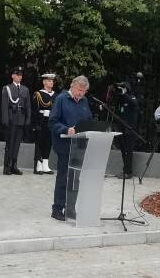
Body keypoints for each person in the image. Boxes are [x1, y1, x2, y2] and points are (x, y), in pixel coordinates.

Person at [49, 75, 94, 221]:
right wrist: (66, 129)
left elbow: (88, 120)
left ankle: (71, 208)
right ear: (72, 86)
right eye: (79, 90)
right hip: (64, 145)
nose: (81, 93)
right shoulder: (61, 99)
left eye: (84, 91)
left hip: (79, 145)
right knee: (63, 177)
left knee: (75, 179)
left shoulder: (84, 101)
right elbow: (52, 122)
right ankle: (57, 209)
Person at [0, 66, 31, 175]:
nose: (19, 77)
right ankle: (6, 166)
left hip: (21, 119)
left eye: (21, 75)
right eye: (17, 74)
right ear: (13, 76)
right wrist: (5, 120)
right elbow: (4, 106)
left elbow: (28, 106)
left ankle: (14, 165)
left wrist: (28, 119)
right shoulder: (7, 88)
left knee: (17, 144)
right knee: (10, 144)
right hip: (11, 119)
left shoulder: (25, 89)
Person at [31, 73, 56, 174]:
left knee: (48, 143)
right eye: (49, 81)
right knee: (39, 143)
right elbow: (34, 110)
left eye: (52, 81)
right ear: (44, 82)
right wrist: (35, 123)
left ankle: (45, 165)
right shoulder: (38, 94)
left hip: (51, 122)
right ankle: (38, 165)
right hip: (41, 122)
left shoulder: (55, 95)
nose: (51, 82)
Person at [114, 81, 140, 178]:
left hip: (130, 129)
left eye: (122, 88)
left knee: (128, 151)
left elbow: (134, 104)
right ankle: (125, 170)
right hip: (121, 128)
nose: (121, 90)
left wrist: (125, 94)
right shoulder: (120, 99)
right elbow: (117, 110)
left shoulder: (131, 97)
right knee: (123, 150)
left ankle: (128, 172)